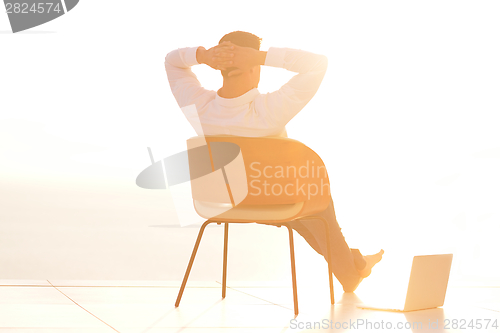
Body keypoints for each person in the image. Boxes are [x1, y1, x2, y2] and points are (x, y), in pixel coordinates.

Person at [165, 31, 383, 292]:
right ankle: (352, 271)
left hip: (226, 202)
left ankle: (356, 263)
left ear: (219, 67)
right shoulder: (269, 111)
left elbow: (172, 61)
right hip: (276, 200)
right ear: (254, 67)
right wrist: (260, 56)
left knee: (303, 217)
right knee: (313, 206)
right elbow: (317, 64)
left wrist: (203, 56)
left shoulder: (200, 109)